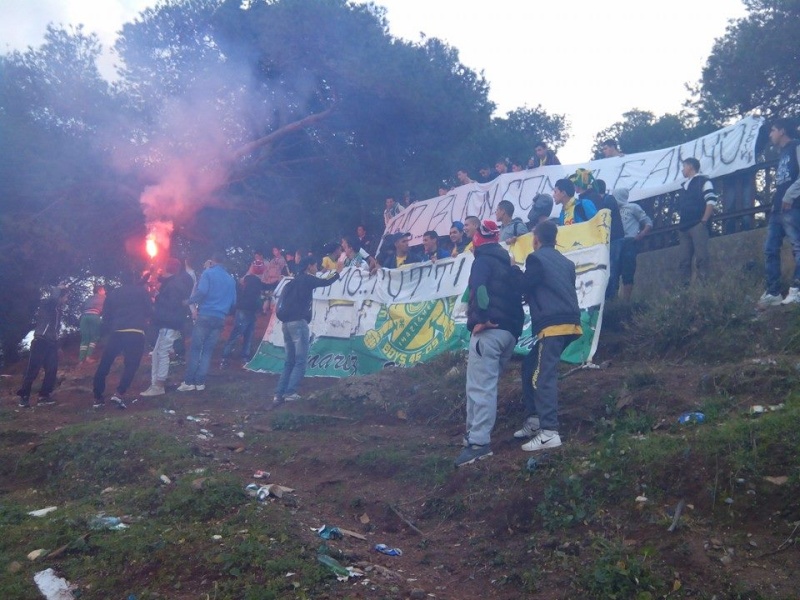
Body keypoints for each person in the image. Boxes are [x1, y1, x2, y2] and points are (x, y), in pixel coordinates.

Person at [455, 220, 524, 467]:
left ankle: (479, 443)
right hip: (510, 333)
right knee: (486, 385)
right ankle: (472, 436)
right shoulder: (508, 262)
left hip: (490, 333)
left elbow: (480, 289)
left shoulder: (481, 261)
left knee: (479, 388)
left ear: (478, 240)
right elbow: (519, 292)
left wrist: (481, 319)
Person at [516, 220, 582, 452]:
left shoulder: (536, 259)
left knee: (542, 377)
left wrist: (514, 270)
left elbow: (524, 285)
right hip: (570, 322)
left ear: (536, 239)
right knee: (529, 365)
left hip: (553, 324)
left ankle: (549, 432)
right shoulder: (566, 262)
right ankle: (535, 422)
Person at [271, 256, 343, 407]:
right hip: (299, 323)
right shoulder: (308, 279)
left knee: (289, 361)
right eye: (315, 265)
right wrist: (337, 273)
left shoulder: (291, 283)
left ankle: (278, 394)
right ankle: (290, 392)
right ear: (309, 266)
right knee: (300, 360)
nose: (317, 268)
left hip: (286, 324)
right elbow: (326, 282)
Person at [178, 252, 237, 392]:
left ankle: (189, 382)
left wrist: (189, 301)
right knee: (208, 350)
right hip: (220, 317)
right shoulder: (230, 279)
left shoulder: (208, 273)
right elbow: (234, 302)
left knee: (196, 349)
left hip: (206, 314)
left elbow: (202, 291)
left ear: (212, 261)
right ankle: (200, 382)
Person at [92, 272, 152, 408]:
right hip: (136, 332)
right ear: (134, 279)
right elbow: (149, 311)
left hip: (117, 332)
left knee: (105, 363)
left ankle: (97, 397)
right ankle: (119, 393)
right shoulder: (141, 292)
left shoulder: (113, 294)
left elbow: (106, 315)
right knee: (131, 365)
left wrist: (107, 331)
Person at [759, 118, 800, 308]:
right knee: (770, 249)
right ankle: (773, 292)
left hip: (794, 206)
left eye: (772, 130)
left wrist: (789, 196)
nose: (770, 135)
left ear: (782, 131)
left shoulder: (796, 147)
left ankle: (797, 290)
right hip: (778, 209)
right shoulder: (782, 153)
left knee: (797, 247)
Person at [141, 258, 194, 396]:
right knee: (157, 354)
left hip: (169, 323)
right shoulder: (173, 283)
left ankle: (159, 385)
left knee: (162, 353)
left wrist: (157, 296)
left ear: (167, 268)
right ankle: (154, 385)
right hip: (167, 323)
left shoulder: (175, 284)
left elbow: (173, 304)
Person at [17, 285, 68, 407]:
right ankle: (24, 397)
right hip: (40, 341)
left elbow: (55, 329)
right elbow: (53, 298)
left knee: (52, 369)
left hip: (51, 343)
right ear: (60, 296)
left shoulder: (57, 310)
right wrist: (59, 288)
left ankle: (44, 396)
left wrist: (57, 345)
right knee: (33, 370)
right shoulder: (48, 305)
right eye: (66, 296)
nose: (66, 299)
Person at [220, 261, 269, 367]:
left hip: (243, 309)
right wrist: (261, 309)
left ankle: (225, 358)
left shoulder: (246, 280)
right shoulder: (257, 282)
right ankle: (243, 358)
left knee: (237, 333)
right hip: (249, 310)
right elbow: (258, 297)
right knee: (247, 334)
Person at [677, 157, 717, 285]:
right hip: (684, 227)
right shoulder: (684, 186)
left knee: (701, 257)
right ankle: (684, 289)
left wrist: (704, 221)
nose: (682, 170)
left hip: (697, 224)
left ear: (690, 166)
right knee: (684, 260)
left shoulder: (704, 182)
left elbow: (711, 201)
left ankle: (703, 287)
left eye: (684, 166)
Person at [614, 187, 652, 302]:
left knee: (628, 272)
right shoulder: (612, 210)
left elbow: (648, 222)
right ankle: (614, 301)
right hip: (616, 243)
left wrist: (641, 234)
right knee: (614, 273)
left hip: (629, 242)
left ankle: (626, 301)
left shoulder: (633, 207)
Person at [595, 179, 625, 300]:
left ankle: (612, 297)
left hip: (614, 238)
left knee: (613, 267)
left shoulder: (609, 200)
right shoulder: (606, 199)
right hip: (609, 240)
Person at [78, 284, 105, 363]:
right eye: (103, 290)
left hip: (84, 317)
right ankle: (88, 357)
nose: (104, 291)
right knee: (94, 337)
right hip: (95, 316)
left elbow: (81, 307)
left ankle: (80, 360)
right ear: (99, 290)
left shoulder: (89, 298)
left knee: (85, 338)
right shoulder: (104, 298)